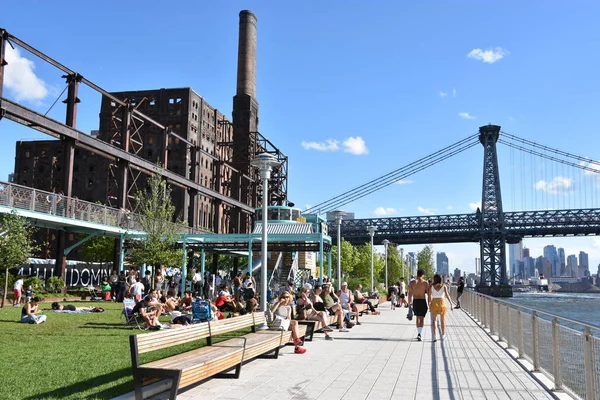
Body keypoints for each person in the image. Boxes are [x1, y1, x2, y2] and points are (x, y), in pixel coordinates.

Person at [429, 274, 454, 342]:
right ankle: (443, 335)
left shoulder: (431, 286)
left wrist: (429, 303)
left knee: (434, 320)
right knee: (443, 320)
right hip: (442, 303)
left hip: (434, 303)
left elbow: (429, 296)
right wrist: (451, 303)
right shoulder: (444, 286)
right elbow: (447, 295)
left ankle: (434, 336)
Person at [408, 269, 430, 342]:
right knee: (422, 318)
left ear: (417, 274)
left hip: (415, 301)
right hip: (422, 301)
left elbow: (409, 294)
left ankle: (418, 333)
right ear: (423, 275)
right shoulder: (425, 283)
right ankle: (420, 333)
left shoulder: (412, 283)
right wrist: (430, 303)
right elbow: (429, 294)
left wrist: (409, 303)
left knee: (417, 317)